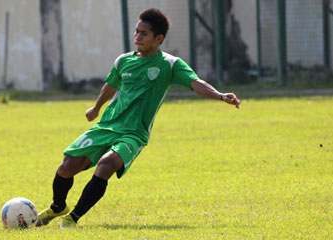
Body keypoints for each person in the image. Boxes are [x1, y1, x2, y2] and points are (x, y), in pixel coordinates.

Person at [36, 8, 241, 229]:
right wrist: (96, 108)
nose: (137, 37)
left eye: (144, 33)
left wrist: (220, 95)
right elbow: (111, 85)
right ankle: (58, 207)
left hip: (135, 133)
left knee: (106, 165)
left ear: (159, 38)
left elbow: (196, 82)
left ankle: (72, 218)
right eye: (136, 32)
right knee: (67, 166)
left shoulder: (170, 64)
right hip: (107, 125)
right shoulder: (123, 61)